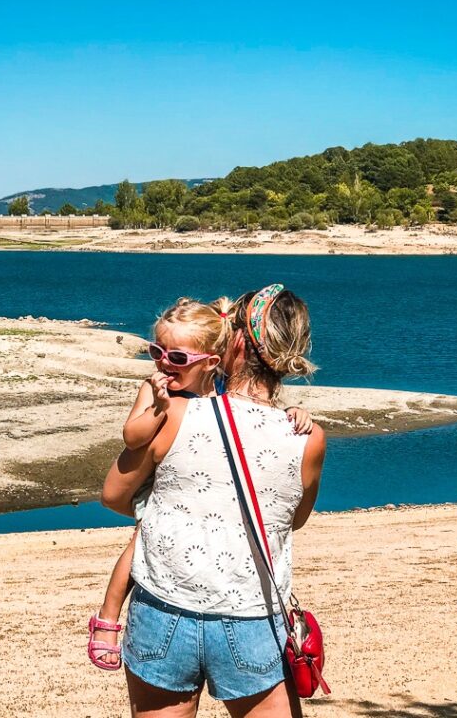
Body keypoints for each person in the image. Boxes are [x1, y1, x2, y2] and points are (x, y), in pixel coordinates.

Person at [100, 285, 327, 718]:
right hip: (251, 613)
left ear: (233, 343)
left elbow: (114, 496)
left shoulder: (178, 413)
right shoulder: (307, 436)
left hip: (163, 606)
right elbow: (293, 520)